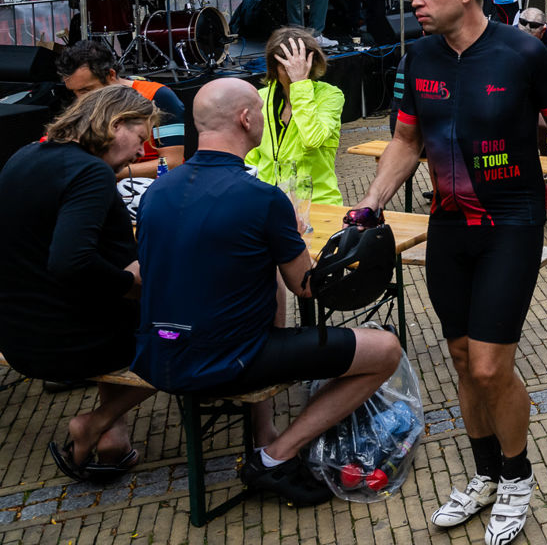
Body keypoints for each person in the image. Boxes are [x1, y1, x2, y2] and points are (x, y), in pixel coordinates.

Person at [353, 0, 547, 541]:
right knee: (460, 359)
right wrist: (371, 203)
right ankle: (484, 474)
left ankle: (517, 477)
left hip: (512, 222)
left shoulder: (522, 53)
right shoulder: (419, 57)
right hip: (449, 225)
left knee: (488, 366)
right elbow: (406, 142)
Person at [133, 78, 402, 506]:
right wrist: (296, 238)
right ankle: (275, 457)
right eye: (260, 111)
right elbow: (308, 288)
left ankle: (265, 433)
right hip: (222, 360)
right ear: (245, 118)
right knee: (385, 349)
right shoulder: (262, 198)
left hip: (156, 355)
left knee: (264, 286)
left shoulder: (157, 192)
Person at [0, 86, 159, 484]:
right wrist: (130, 282)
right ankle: (97, 422)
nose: (141, 153)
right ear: (115, 123)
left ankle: (113, 438)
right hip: (71, 344)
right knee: (197, 334)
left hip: (18, 337)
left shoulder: (25, 156)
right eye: (140, 138)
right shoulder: (89, 172)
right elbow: (71, 262)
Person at [244, 27, 346, 207]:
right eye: (286, 67)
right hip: (269, 203)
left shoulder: (331, 96)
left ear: (312, 63)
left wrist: (300, 85)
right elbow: (250, 158)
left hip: (317, 203)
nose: (293, 73)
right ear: (274, 68)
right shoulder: (260, 98)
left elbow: (312, 139)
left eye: (299, 66)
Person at [56, 40, 186, 178]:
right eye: (74, 91)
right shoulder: (82, 102)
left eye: (86, 90)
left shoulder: (159, 96)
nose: (80, 99)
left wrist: (99, 171)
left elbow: (173, 162)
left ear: (111, 75)